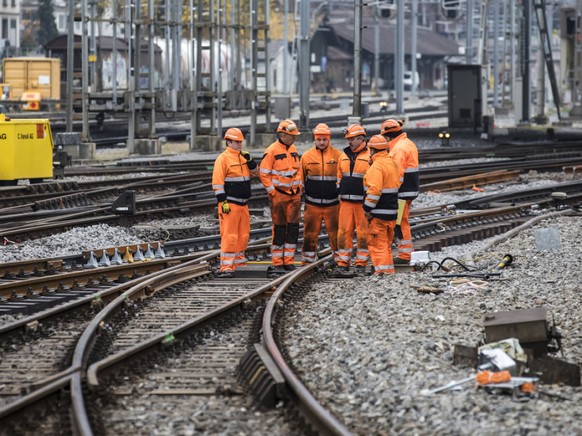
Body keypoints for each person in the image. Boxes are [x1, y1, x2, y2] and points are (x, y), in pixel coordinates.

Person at [212, 128, 259, 278]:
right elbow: (217, 183)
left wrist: (251, 161)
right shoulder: (223, 159)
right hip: (230, 205)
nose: (240, 144)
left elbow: (257, 173)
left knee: (243, 235)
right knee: (230, 236)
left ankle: (239, 264)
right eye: (237, 142)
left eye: (241, 142)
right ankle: (226, 267)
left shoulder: (243, 157)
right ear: (229, 142)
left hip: (243, 204)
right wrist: (223, 201)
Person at [259, 119, 303, 273]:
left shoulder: (293, 149)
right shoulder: (271, 151)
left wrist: (298, 187)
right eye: (292, 136)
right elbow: (264, 174)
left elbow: (298, 170)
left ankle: (288, 261)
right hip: (279, 196)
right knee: (279, 229)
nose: (294, 138)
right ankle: (278, 262)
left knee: (293, 229)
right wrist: (273, 192)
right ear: (282, 135)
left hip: (294, 195)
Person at [300, 123, 342, 265]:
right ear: (315, 140)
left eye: (324, 139)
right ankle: (308, 262)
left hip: (333, 204)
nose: (322, 142)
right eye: (319, 140)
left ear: (329, 139)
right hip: (312, 204)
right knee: (310, 234)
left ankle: (340, 261)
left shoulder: (338, 156)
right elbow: (300, 179)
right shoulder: (307, 156)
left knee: (336, 234)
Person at [379, 119, 420, 265]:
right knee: (401, 221)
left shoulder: (398, 149)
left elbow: (396, 174)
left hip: (401, 192)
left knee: (400, 222)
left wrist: (389, 193)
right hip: (408, 190)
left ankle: (405, 254)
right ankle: (405, 252)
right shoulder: (407, 143)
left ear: (388, 135)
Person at [363, 135, 403, 275]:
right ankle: (388, 271)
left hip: (378, 213)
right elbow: (399, 182)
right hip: (392, 212)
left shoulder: (377, 166)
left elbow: (374, 191)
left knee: (377, 245)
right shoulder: (393, 163)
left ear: (372, 150)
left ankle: (382, 273)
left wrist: (367, 208)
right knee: (386, 245)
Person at [335, 124, 371, 275]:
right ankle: (343, 263)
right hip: (346, 202)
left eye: (352, 139)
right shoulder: (343, 155)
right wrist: (339, 191)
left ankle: (361, 264)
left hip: (362, 203)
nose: (349, 142)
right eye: (348, 139)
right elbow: (339, 176)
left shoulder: (370, 156)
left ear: (361, 139)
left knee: (363, 233)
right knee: (343, 233)